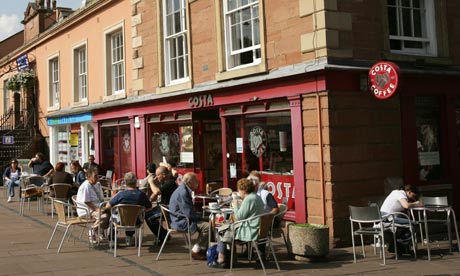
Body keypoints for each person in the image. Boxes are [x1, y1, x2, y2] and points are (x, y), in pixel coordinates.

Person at [211, 177, 265, 268]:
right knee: (226, 228)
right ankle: (230, 259)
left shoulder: (249, 199)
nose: (239, 193)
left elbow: (239, 217)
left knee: (222, 230)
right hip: (256, 228)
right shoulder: (256, 197)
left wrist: (235, 203)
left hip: (249, 230)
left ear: (243, 190)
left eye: (239, 191)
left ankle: (222, 259)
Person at [103, 172, 153, 246]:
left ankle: (112, 239)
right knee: (134, 215)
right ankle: (129, 237)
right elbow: (149, 207)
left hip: (120, 221)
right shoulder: (141, 195)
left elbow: (108, 206)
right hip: (136, 221)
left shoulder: (121, 195)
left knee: (113, 216)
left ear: (125, 182)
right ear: (136, 181)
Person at [169, 172, 209, 260]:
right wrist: (202, 216)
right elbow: (189, 214)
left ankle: (203, 249)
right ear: (190, 182)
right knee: (208, 227)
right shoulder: (183, 192)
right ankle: (196, 251)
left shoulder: (182, 189)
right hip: (181, 222)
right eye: (196, 182)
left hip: (179, 219)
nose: (198, 184)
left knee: (209, 222)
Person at [380, 184, 421, 253]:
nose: (412, 198)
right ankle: (398, 247)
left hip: (384, 216)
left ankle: (397, 246)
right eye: (413, 196)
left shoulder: (395, 192)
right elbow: (406, 205)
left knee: (403, 222)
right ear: (409, 192)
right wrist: (416, 203)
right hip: (389, 218)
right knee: (414, 224)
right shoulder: (401, 194)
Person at [76, 167, 109, 243]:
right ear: (89, 177)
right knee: (105, 216)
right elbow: (87, 201)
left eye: (97, 175)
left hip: (97, 207)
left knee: (113, 213)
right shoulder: (86, 186)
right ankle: (93, 230)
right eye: (95, 176)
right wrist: (97, 209)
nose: (97, 178)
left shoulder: (98, 184)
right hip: (86, 210)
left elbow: (101, 198)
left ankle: (104, 233)